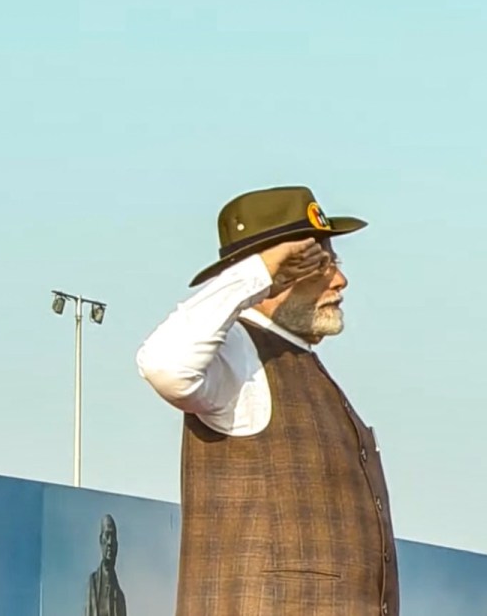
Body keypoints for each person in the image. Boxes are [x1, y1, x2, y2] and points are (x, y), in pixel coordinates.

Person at [136, 185, 398, 616]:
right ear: (274, 274)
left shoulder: (302, 366)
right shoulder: (236, 353)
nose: (340, 279)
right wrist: (254, 274)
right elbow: (164, 365)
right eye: (319, 263)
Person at [86, 514, 127, 616]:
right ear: (101, 540)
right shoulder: (93, 583)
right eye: (107, 535)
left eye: (113, 537)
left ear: (116, 546)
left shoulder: (120, 597)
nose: (109, 542)